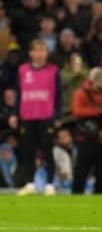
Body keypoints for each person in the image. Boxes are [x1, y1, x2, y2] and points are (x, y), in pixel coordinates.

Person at [15, 39, 62, 195]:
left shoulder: (53, 71)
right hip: (27, 116)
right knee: (28, 151)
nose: (40, 54)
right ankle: (30, 184)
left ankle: (49, 184)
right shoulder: (22, 70)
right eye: (37, 50)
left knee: (47, 151)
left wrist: (58, 115)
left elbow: (58, 95)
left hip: (46, 116)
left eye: (43, 50)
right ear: (31, 53)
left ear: (47, 53)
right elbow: (19, 94)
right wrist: (15, 114)